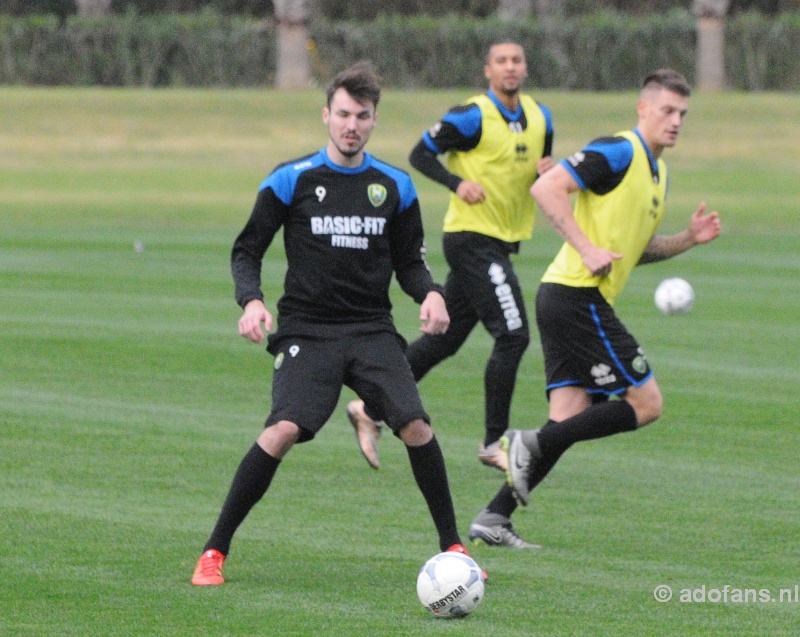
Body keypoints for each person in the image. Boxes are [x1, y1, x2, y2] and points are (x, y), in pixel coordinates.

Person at [191, 62, 476, 586]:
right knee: (281, 431)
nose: (351, 124)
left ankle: (455, 548)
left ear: (373, 121)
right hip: (306, 330)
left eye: (362, 116)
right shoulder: (291, 179)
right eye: (343, 113)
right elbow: (247, 249)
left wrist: (432, 292)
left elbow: (410, 262)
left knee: (416, 426)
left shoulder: (395, 186)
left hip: (371, 329)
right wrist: (250, 301)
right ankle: (213, 552)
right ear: (327, 115)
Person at [468, 69, 721, 549]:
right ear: (643, 108)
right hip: (574, 296)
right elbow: (547, 189)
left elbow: (635, 249)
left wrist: (688, 239)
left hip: (570, 297)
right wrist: (585, 248)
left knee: (568, 417)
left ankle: (494, 517)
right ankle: (527, 444)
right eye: (667, 110)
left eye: (682, 114)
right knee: (647, 404)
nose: (675, 121)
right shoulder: (618, 150)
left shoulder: (658, 172)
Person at [346, 41, 555, 478]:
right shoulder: (472, 115)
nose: (510, 67)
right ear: (487, 70)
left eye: (517, 59)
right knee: (513, 335)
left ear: (525, 67)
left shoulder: (540, 117)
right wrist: (457, 183)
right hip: (471, 238)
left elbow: (540, 167)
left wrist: (548, 172)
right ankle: (493, 442)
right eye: (501, 61)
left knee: (444, 341)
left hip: (500, 240)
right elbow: (420, 154)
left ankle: (369, 408)